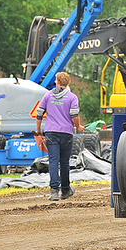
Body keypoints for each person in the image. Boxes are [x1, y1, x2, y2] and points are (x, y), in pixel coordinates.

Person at [35, 72, 85, 201]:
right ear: (67, 83)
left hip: (51, 132)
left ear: (57, 82)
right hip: (66, 133)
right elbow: (74, 115)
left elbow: (39, 113)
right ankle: (66, 190)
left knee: (53, 161)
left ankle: (54, 192)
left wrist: (38, 130)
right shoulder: (72, 97)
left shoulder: (48, 95)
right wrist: (78, 127)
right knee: (64, 162)